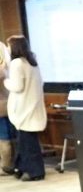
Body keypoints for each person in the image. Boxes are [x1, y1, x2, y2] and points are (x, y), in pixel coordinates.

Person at [3, 35, 46, 181]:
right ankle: (19, 167)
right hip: (33, 107)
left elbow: (17, 86)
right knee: (24, 141)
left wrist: (5, 81)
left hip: (23, 109)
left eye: (9, 46)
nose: (7, 50)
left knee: (28, 144)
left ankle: (36, 172)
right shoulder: (32, 62)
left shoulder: (17, 64)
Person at [0, 41, 15, 175]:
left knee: (4, 137)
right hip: (8, 101)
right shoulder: (3, 47)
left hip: (3, 103)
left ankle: (6, 165)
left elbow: (2, 73)